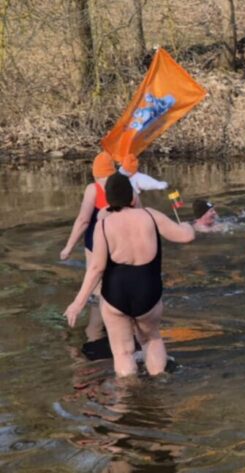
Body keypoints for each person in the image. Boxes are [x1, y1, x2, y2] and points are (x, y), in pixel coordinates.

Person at [62, 173, 195, 377]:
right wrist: (186, 226)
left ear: (108, 200)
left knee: (122, 352)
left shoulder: (103, 226)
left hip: (116, 294)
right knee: (151, 340)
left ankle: (128, 391)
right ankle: (160, 382)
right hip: (148, 291)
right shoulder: (150, 215)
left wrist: (78, 303)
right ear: (132, 196)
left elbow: (96, 268)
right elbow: (186, 237)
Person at [60, 152, 117, 345]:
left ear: (95, 173)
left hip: (96, 242)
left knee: (97, 288)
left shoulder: (93, 189)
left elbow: (84, 220)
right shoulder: (126, 189)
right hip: (121, 243)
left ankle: (95, 342)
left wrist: (69, 247)